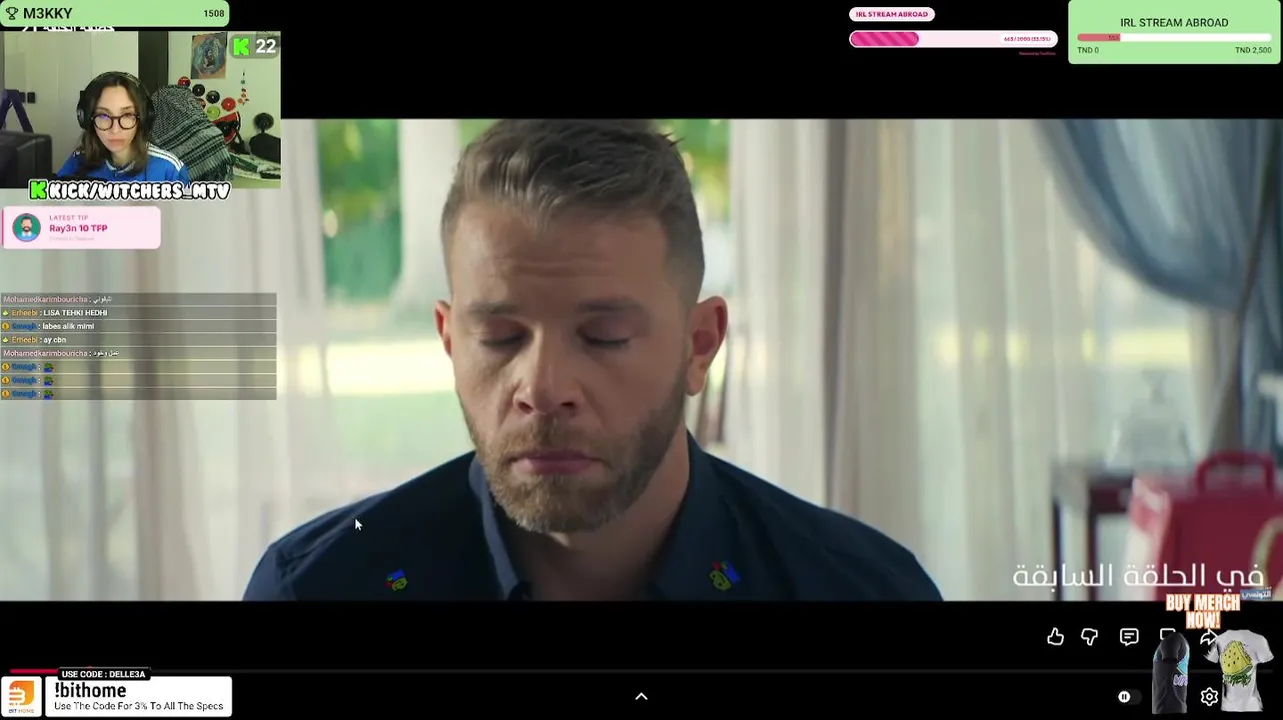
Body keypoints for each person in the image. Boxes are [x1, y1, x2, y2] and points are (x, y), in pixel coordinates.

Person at [244, 119, 942, 602]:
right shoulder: (318, 589)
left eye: (604, 337)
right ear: (450, 341)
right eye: (500, 338)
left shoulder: (861, 591)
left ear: (700, 345)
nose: (543, 389)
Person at [57, 72, 190, 183]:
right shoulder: (78, 161)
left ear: (143, 118)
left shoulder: (169, 171)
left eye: (127, 115)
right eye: (103, 115)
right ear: (87, 118)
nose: (115, 130)